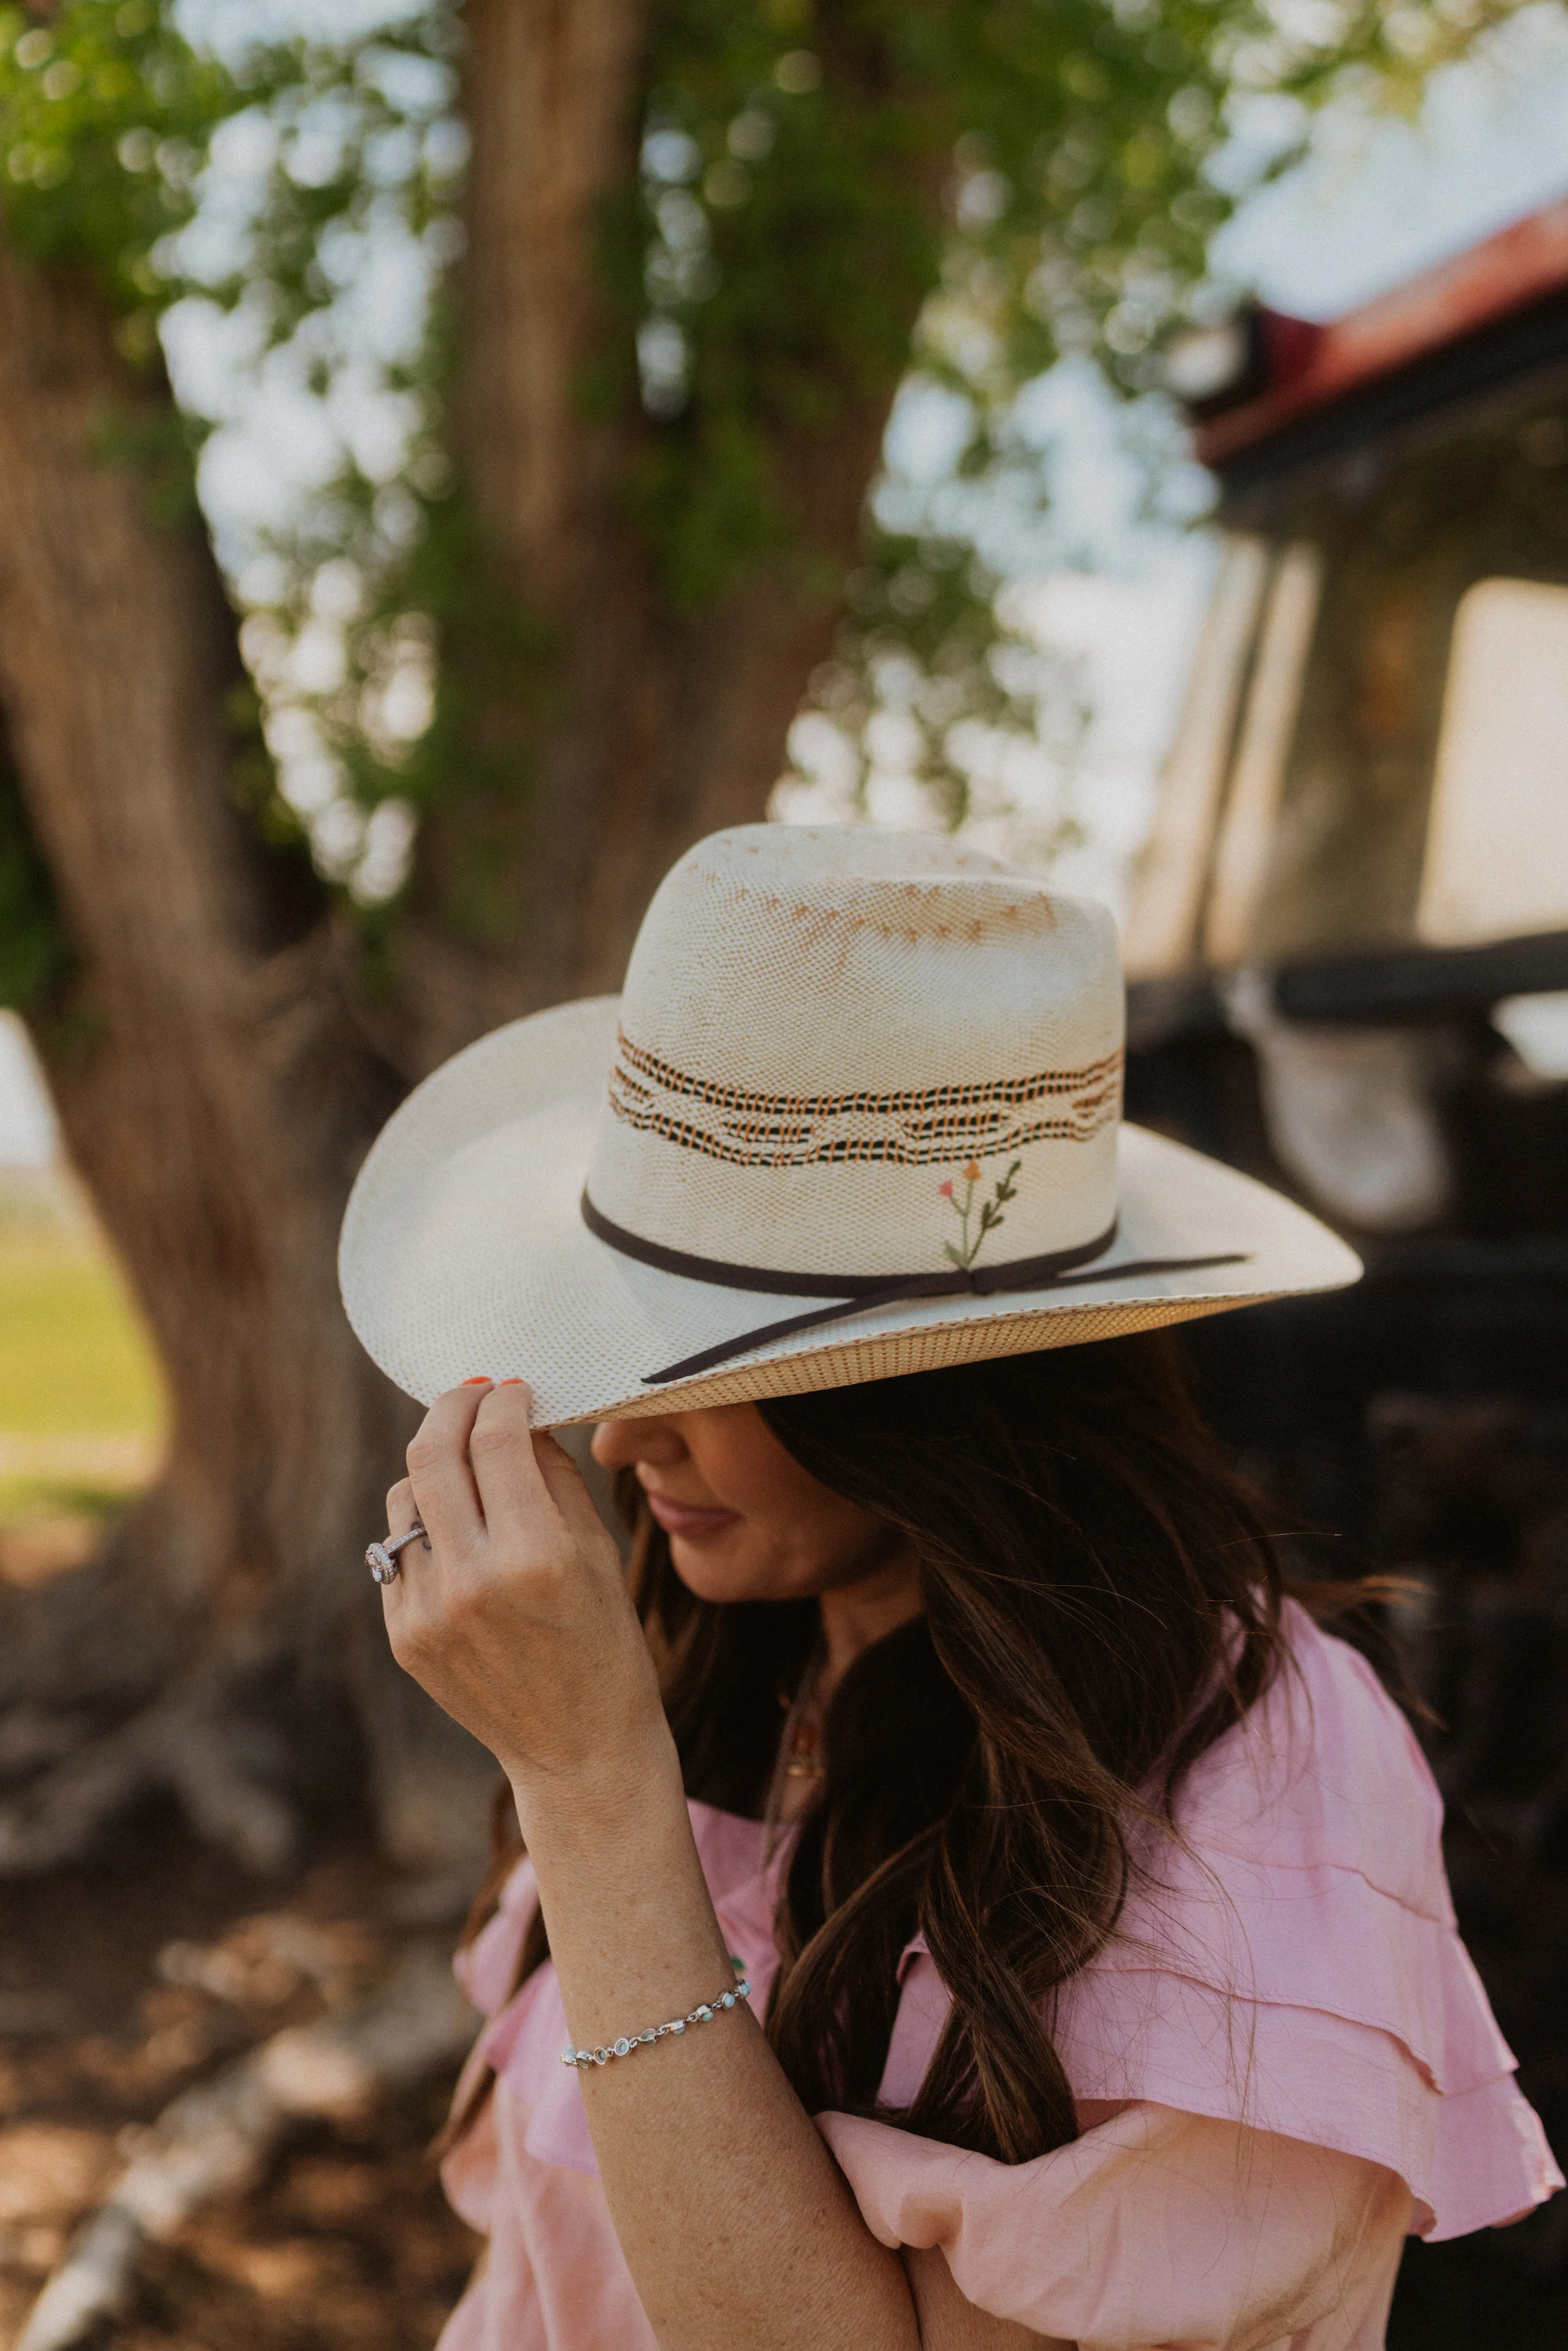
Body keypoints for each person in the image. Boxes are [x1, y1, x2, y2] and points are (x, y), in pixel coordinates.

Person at [340, 826, 1560, 2350]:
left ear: (949, 1398)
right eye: (632, 1334)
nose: (624, 1430)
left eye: (729, 1364)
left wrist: (588, 1789)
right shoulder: (735, 1644)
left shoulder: (1242, 1770)